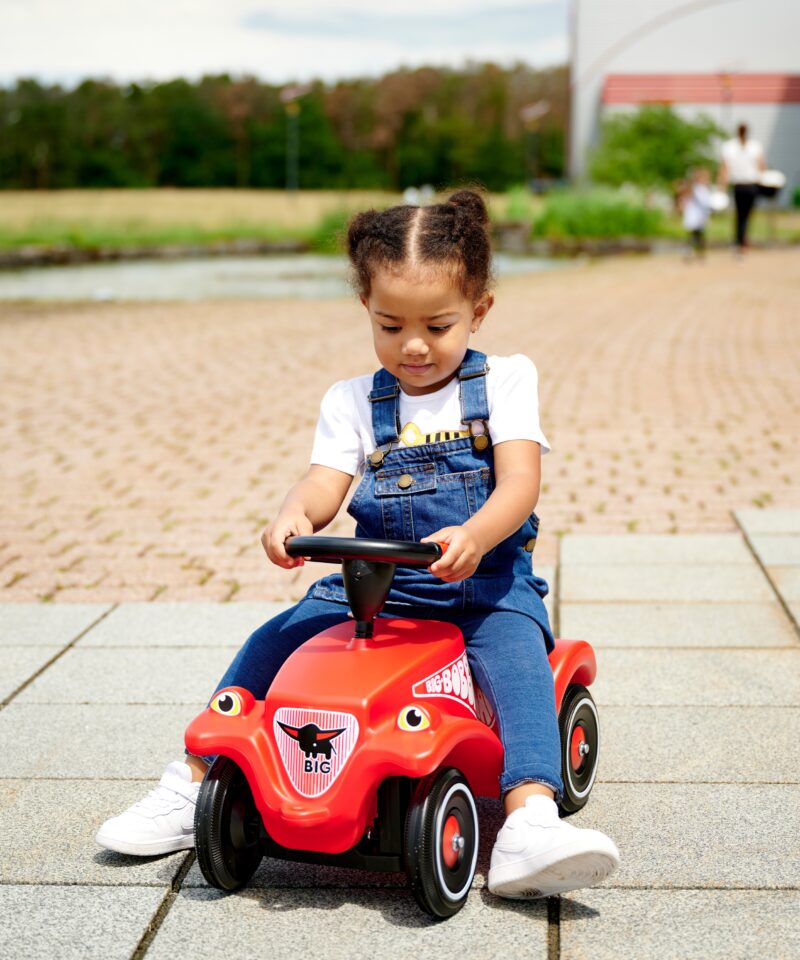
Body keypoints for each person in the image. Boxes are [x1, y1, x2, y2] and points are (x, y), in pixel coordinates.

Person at [95, 190, 620, 899]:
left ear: (479, 310)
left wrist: (475, 534)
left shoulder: (504, 380)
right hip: (374, 585)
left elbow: (520, 483)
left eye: (438, 325)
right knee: (273, 642)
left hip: (481, 587)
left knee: (520, 664)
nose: (413, 345)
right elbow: (324, 483)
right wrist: (293, 514)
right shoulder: (353, 401)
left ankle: (530, 818)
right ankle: (191, 782)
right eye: (389, 325)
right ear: (366, 307)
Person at [719, 122, 766, 253]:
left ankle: (740, 240)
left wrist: (721, 187)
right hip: (749, 185)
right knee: (745, 215)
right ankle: (741, 240)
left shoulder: (730, 147)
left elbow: (724, 169)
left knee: (741, 214)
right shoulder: (753, 146)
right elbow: (762, 166)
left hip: (742, 185)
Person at [677, 167, 712, 260]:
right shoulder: (694, 188)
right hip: (694, 214)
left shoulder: (704, 189)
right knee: (693, 234)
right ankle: (690, 251)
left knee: (699, 234)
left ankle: (699, 252)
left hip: (701, 215)